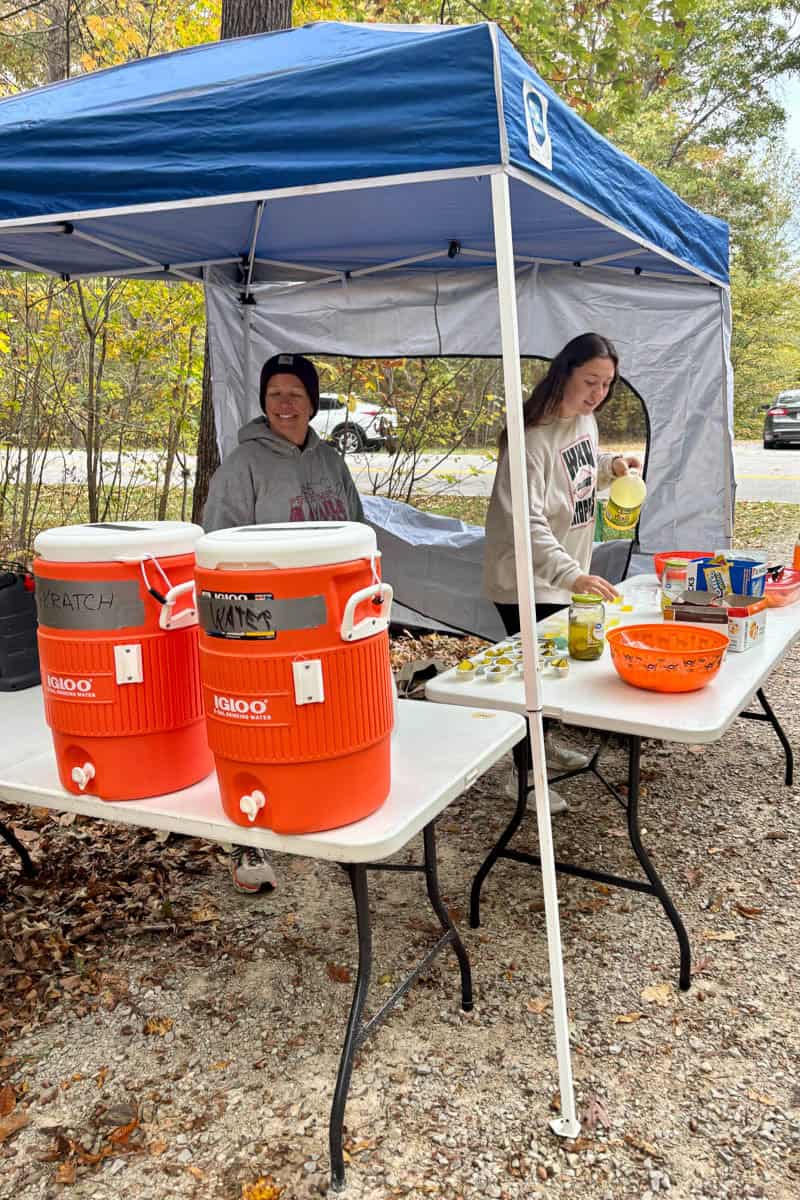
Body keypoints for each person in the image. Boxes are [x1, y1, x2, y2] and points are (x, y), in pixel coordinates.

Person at [203, 353, 365, 893]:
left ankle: (324, 809)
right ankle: (247, 841)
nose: (285, 404)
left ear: (313, 402)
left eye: (295, 393)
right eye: (275, 394)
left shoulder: (330, 460)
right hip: (263, 623)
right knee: (260, 726)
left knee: (324, 719)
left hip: (328, 623)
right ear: (263, 403)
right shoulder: (242, 466)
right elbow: (217, 550)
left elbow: (357, 529)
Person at [483, 332, 641, 813]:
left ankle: (542, 747)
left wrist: (611, 464)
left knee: (558, 669)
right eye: (591, 381)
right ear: (565, 373)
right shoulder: (529, 440)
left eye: (607, 384)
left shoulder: (585, 420)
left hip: (566, 573)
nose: (598, 393)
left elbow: (578, 463)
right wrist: (573, 576)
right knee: (534, 677)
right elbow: (524, 524)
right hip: (526, 579)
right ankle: (521, 777)